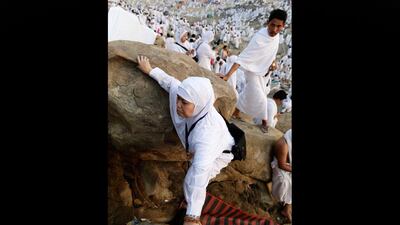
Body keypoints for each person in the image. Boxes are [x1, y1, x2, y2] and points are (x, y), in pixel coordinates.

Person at [137, 56, 235, 225]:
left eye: (184, 102)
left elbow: (199, 174)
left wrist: (192, 216)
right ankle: (189, 206)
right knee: (192, 176)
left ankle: (190, 211)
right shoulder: (189, 100)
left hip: (220, 153)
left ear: (199, 104)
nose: (177, 105)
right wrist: (150, 70)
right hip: (198, 149)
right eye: (178, 99)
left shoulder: (207, 136)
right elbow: (171, 83)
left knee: (192, 180)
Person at [220, 9, 287, 133]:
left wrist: (273, 63)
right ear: (268, 22)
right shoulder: (259, 38)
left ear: (283, 26)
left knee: (249, 92)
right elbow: (243, 57)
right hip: (251, 70)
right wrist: (228, 75)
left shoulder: (276, 37)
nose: (274, 29)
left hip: (264, 72)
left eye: (279, 26)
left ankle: (236, 111)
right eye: (272, 25)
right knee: (260, 97)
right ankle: (265, 121)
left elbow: (272, 54)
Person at [271, 129, 292, 222]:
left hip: (289, 165)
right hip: (280, 166)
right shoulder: (283, 145)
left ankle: (286, 209)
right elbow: (281, 165)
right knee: (284, 182)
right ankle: (280, 202)